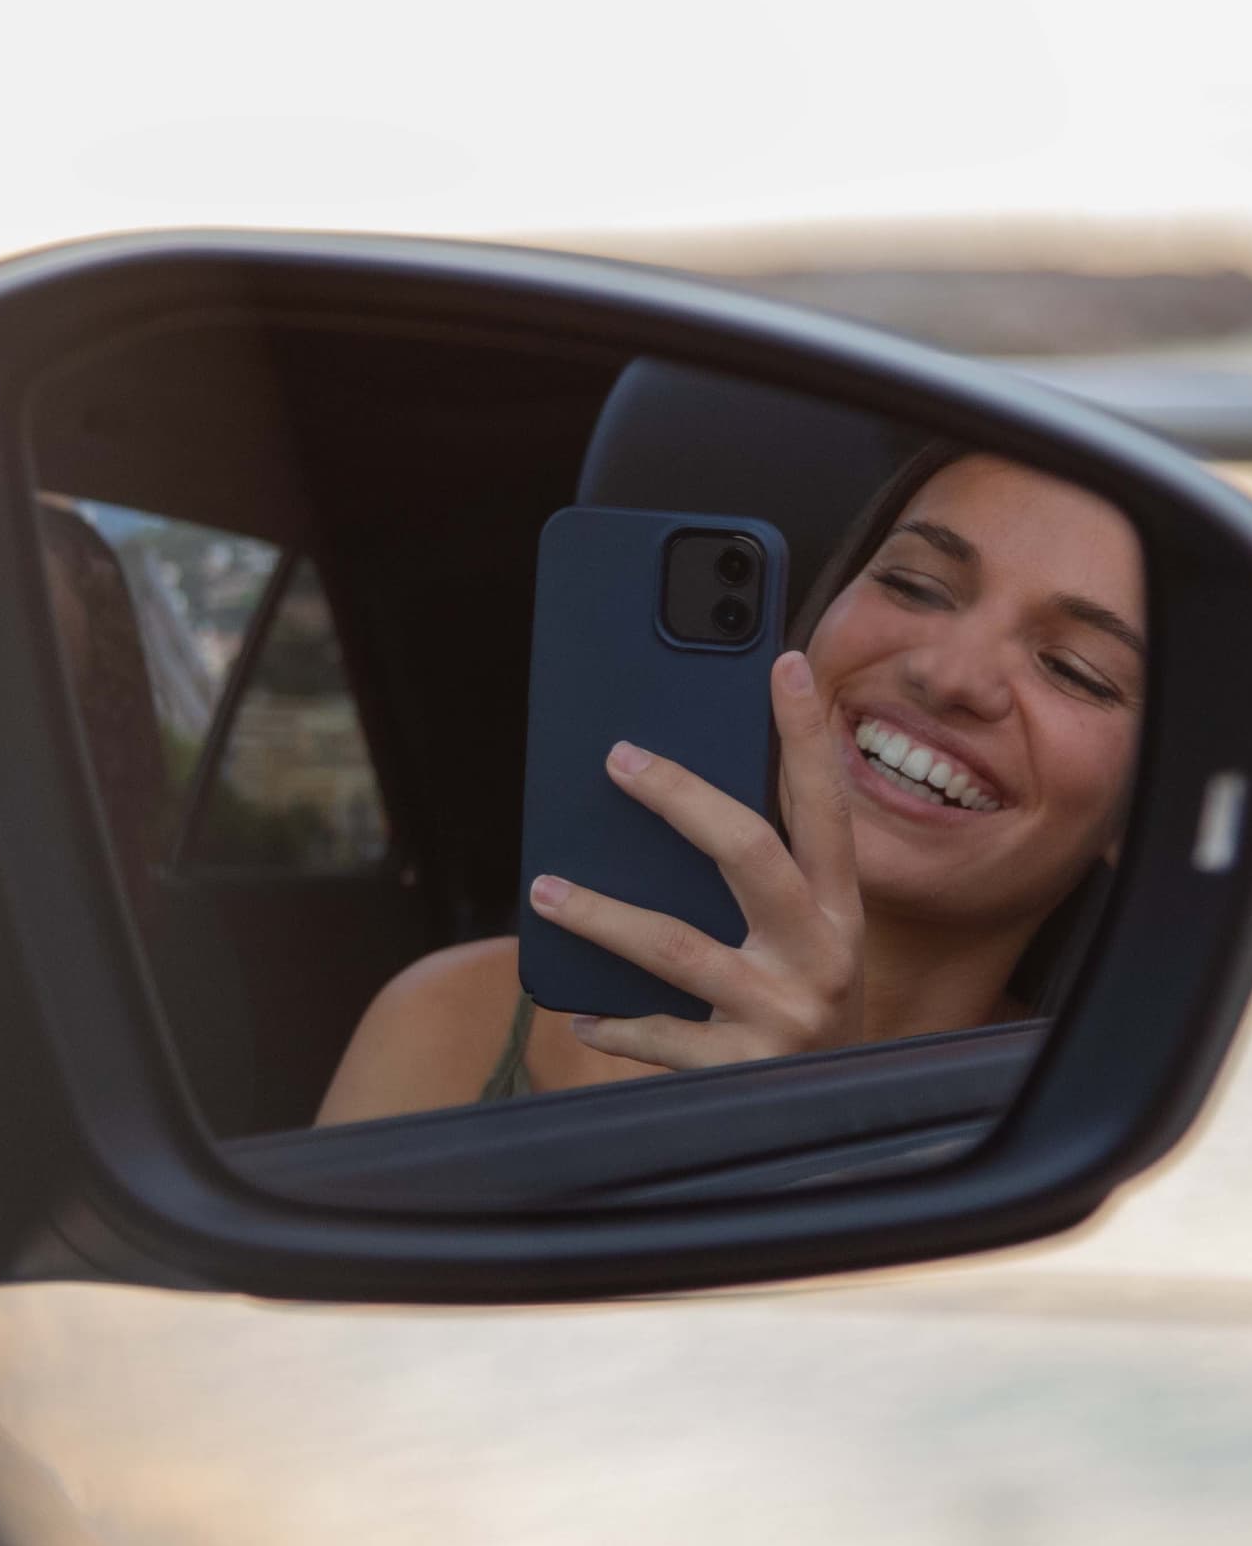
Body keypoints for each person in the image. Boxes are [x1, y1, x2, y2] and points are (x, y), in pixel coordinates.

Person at [315, 446, 1148, 1122]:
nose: (949, 674)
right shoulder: (449, 1016)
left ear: (1146, 805)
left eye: (1077, 671)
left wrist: (810, 1126)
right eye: (914, 583)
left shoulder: (1091, 1134)